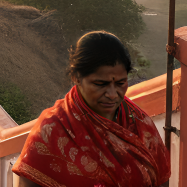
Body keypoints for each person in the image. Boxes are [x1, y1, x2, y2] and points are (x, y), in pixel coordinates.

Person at [12, 31, 170, 187]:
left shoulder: (139, 122)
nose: (112, 94)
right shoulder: (52, 129)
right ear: (76, 77)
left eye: (120, 83)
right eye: (100, 84)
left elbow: (161, 179)